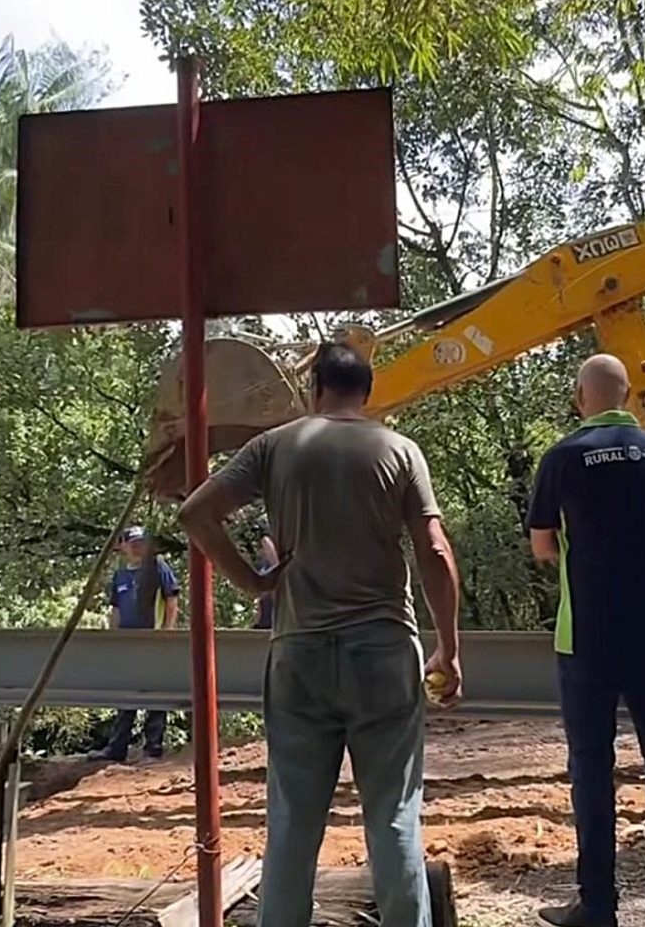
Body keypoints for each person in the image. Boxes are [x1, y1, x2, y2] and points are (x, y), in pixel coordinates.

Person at [180, 341, 463, 927]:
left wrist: (254, 583)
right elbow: (434, 549)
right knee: (393, 815)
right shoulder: (399, 450)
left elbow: (195, 515)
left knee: (292, 822)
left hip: (300, 654)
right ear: (368, 392)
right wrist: (450, 648)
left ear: (315, 391)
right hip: (384, 651)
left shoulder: (275, 446)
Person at [527, 355, 645, 927]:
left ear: (581, 396)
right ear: (626, 396)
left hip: (590, 637)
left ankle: (598, 906)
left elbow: (542, 544)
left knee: (592, 768)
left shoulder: (561, 457)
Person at [91, 525, 180, 763]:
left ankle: (153, 747)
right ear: (124, 546)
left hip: (154, 639)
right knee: (126, 694)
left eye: (142, 542)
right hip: (128, 643)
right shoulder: (120, 575)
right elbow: (116, 608)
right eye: (134, 542)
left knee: (156, 692)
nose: (139, 546)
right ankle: (116, 748)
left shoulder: (157, 566)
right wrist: (114, 638)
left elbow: (171, 598)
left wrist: (167, 632)